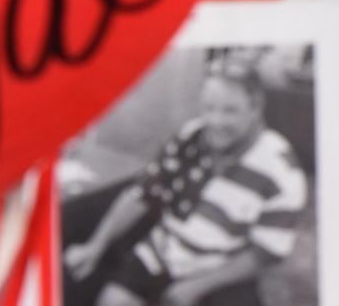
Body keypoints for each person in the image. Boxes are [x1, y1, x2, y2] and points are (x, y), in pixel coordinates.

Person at [65, 58, 308, 306]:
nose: (215, 121)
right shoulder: (191, 135)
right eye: (209, 108)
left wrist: (196, 287)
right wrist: (94, 246)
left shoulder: (282, 172)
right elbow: (142, 193)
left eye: (229, 110)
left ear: (256, 108)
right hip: (162, 253)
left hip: (222, 273)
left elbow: (265, 253)